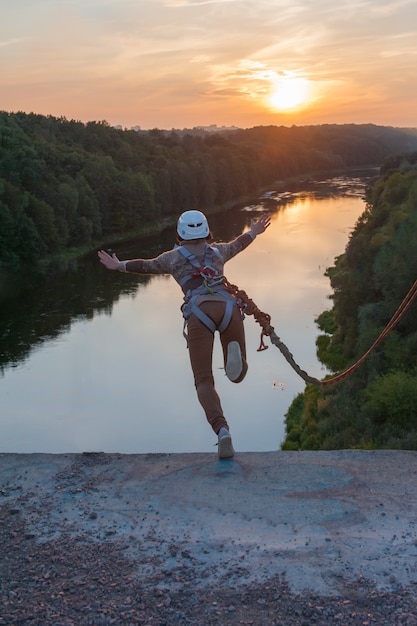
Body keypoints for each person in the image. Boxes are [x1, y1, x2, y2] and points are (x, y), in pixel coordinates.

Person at [98, 210, 271, 459]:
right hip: (228, 306)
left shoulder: (172, 258)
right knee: (238, 372)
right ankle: (237, 363)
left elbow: (146, 266)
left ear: (180, 234)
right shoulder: (218, 252)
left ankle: (222, 431)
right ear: (207, 232)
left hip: (199, 312)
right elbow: (238, 244)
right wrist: (254, 231)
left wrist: (119, 266)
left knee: (203, 381)